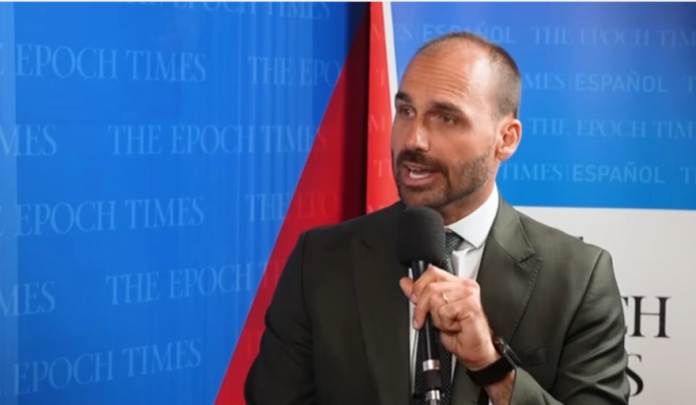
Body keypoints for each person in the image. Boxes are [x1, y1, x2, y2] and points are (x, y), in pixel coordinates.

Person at [244, 31, 630, 405]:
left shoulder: (579, 278)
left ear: (506, 139)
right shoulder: (320, 260)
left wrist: (493, 369)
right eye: (406, 111)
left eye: (445, 118)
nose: (414, 139)